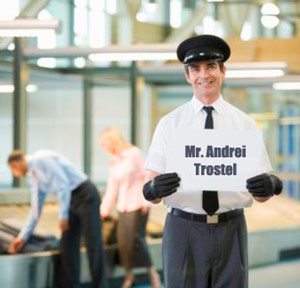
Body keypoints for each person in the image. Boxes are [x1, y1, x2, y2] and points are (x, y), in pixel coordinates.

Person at [142, 34, 283, 288]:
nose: (203, 75)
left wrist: (269, 186)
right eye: (195, 69)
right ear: (187, 76)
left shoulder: (244, 124)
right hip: (183, 228)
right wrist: (153, 190)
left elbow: (260, 195)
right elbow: (152, 190)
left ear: (223, 71)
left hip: (231, 229)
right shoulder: (169, 124)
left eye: (210, 67)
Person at [7, 150, 108, 288]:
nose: (16, 175)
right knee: (67, 245)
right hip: (70, 200)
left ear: (16, 163)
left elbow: (63, 185)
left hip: (85, 194)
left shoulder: (42, 159)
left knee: (92, 241)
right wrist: (23, 237)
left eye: (13, 171)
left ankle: (100, 285)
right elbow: (35, 210)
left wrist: (63, 216)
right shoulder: (34, 176)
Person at [99, 128, 161, 288]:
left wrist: (147, 201)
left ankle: (153, 276)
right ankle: (129, 277)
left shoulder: (134, 154)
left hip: (138, 205)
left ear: (113, 140)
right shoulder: (113, 161)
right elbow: (112, 187)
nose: (103, 148)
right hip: (124, 207)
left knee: (136, 241)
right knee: (123, 243)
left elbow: (146, 177)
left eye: (104, 143)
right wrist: (103, 210)